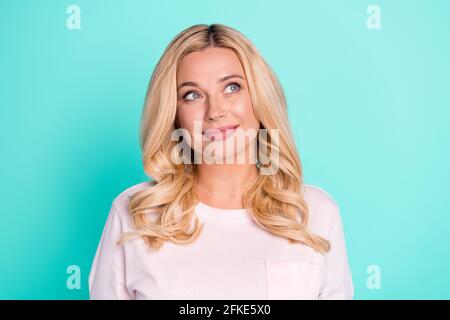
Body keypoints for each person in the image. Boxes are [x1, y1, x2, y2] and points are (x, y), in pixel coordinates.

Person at [88, 24, 354, 300]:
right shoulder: (134, 214)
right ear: (174, 114)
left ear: (260, 98)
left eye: (232, 87)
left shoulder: (317, 213)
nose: (215, 111)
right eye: (192, 95)